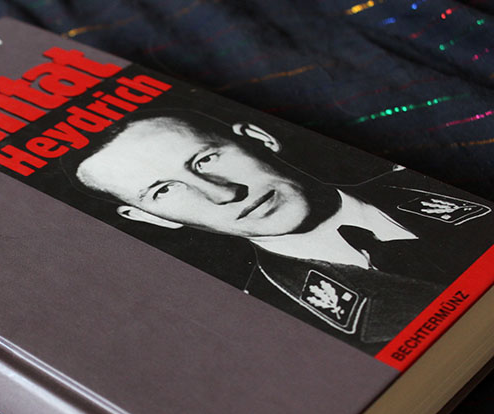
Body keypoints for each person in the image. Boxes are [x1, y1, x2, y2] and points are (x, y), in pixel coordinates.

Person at [70, 110, 493, 352]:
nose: (224, 194)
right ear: (150, 218)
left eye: (206, 160)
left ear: (258, 139)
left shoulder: (432, 182)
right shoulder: (278, 330)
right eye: (163, 191)